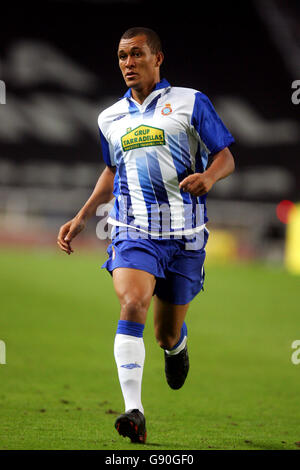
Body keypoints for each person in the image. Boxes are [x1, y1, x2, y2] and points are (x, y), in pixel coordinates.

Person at [57, 27, 235, 444]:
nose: (128, 63)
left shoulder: (191, 102)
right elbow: (111, 170)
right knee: (132, 300)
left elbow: (225, 154)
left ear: (158, 58)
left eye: (136, 54)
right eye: (121, 56)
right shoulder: (110, 118)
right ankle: (134, 411)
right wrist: (83, 215)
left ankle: (176, 348)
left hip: (186, 235)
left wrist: (209, 176)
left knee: (165, 334)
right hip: (133, 230)